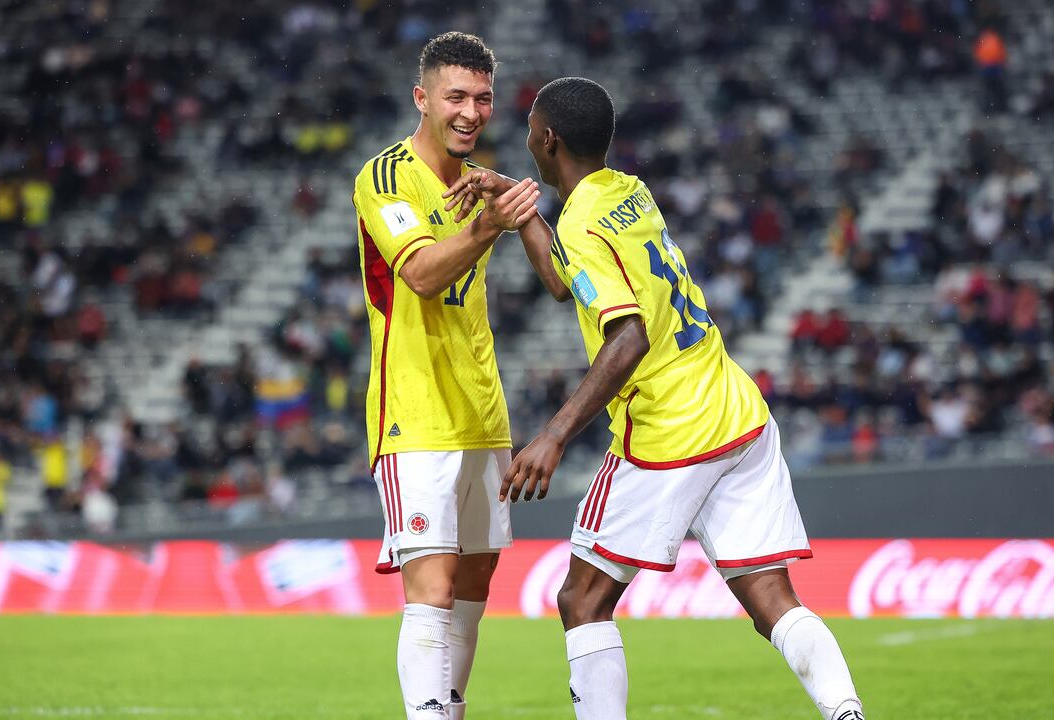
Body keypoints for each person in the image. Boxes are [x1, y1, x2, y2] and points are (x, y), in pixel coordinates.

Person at [447, 77, 865, 719]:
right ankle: (847, 712)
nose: (526, 135)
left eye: (531, 126)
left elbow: (629, 337)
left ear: (548, 138)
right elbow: (569, 284)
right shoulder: (625, 192)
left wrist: (555, 433)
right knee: (773, 601)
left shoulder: (585, 220)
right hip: (735, 411)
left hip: (669, 429)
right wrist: (521, 207)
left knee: (581, 601)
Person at [350, 32, 561, 720]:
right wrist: (487, 226)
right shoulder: (386, 176)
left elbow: (560, 280)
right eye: (456, 97)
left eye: (483, 98)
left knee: (473, 588)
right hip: (415, 416)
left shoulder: (481, 182)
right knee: (432, 591)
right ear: (423, 99)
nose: (471, 111)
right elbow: (420, 275)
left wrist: (518, 214)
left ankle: (448, 709)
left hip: (482, 415)